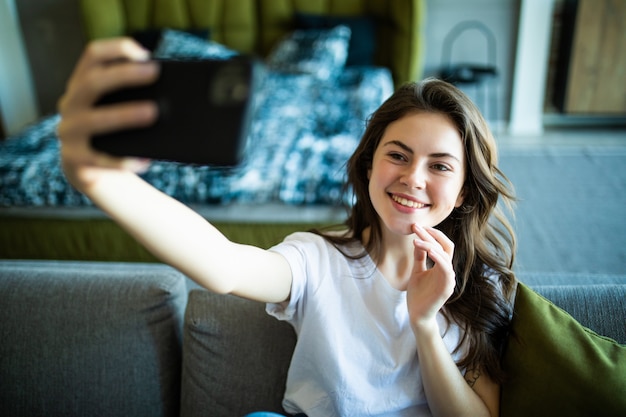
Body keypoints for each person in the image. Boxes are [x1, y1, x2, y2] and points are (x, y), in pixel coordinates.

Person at [57, 38, 517, 417]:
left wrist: (423, 323)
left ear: (461, 192)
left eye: (439, 166)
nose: (412, 178)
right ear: (370, 163)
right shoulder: (317, 258)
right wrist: (102, 180)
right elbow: (225, 266)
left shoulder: (478, 287)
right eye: (397, 154)